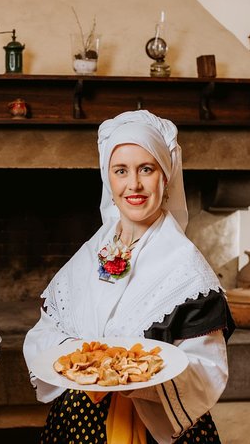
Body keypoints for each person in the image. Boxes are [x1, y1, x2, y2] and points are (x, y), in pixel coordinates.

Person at [23, 110, 234, 444]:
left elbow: (207, 370)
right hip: (77, 422)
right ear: (109, 179)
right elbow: (46, 331)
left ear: (165, 178)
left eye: (146, 169)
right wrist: (83, 359)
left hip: (159, 429)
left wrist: (136, 377)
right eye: (121, 170)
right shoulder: (92, 253)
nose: (133, 184)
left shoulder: (188, 271)